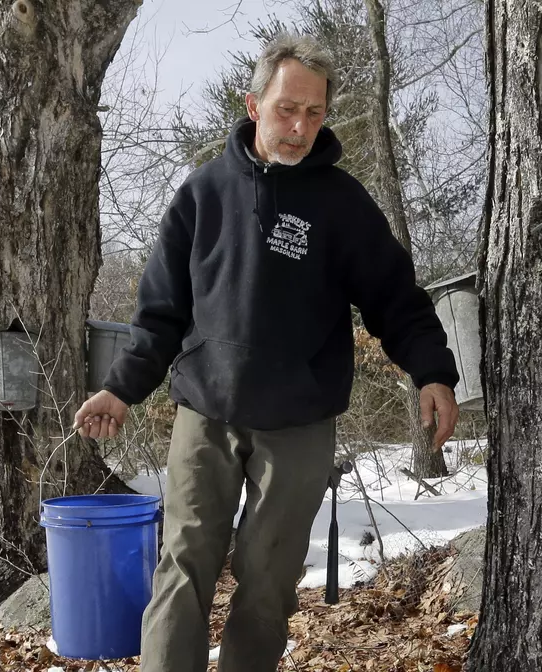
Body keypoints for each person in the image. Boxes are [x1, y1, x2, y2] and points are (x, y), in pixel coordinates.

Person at [74, 31, 460, 672]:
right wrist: (121, 386)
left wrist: (432, 373)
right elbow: (160, 314)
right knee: (182, 568)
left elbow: (397, 300)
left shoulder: (342, 205)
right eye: (287, 108)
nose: (300, 126)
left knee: (268, 579)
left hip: (300, 419)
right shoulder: (202, 194)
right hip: (206, 409)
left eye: (314, 112)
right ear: (254, 105)